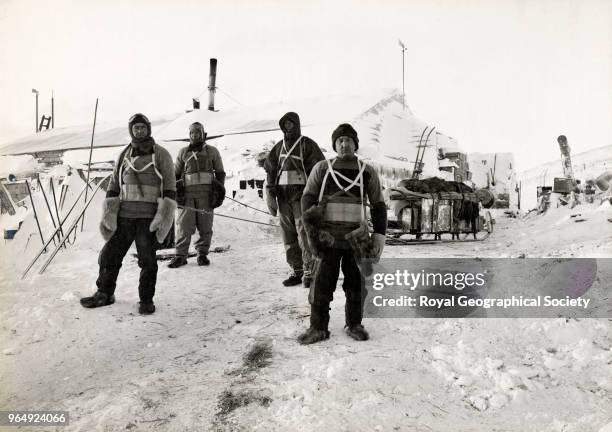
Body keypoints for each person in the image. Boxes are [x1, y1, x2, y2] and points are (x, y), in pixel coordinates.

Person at [298, 123, 387, 344]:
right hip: (328, 239)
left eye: (348, 140)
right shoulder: (322, 168)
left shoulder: (367, 171)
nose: (344, 144)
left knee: (356, 285)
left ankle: (354, 324)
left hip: (356, 240)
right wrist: (311, 228)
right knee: (321, 285)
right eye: (340, 140)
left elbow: (378, 205)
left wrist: (379, 236)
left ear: (355, 144)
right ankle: (318, 327)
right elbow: (308, 197)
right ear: (335, 145)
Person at [80, 113, 177, 315]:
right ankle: (104, 293)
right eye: (135, 128)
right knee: (108, 255)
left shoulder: (162, 155)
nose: (139, 131)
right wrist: (109, 214)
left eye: (142, 127)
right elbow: (114, 185)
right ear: (131, 131)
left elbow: (169, 188)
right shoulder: (124, 155)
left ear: (148, 129)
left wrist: (165, 219)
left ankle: (146, 300)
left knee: (147, 261)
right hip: (125, 217)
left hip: (148, 219)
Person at [264, 112, 324, 287]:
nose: (288, 128)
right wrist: (270, 191)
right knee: (288, 234)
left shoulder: (307, 145)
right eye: (285, 125)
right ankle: (296, 270)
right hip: (283, 197)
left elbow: (319, 169)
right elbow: (270, 170)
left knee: (304, 233)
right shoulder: (278, 148)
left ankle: (309, 271)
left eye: (291, 124)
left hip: (302, 197)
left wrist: (315, 195)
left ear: (297, 125)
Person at [168, 122, 225, 268]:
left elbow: (220, 173)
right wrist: (176, 192)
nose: (195, 135)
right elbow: (175, 174)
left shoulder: (212, 151)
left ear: (203, 134)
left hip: (206, 196)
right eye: (192, 133)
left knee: (205, 226)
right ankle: (180, 256)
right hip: (186, 196)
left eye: (198, 132)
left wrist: (218, 192)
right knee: (183, 226)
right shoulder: (182, 152)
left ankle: (202, 255)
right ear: (189, 135)